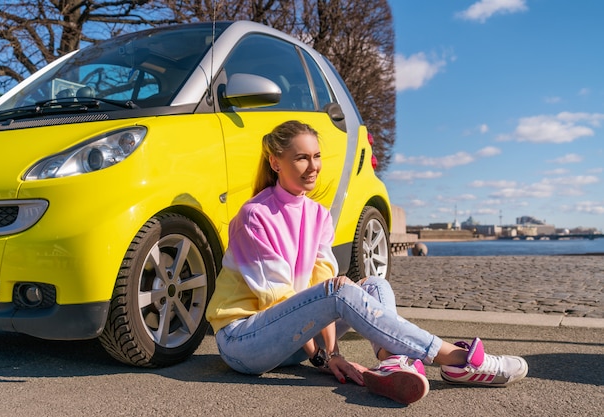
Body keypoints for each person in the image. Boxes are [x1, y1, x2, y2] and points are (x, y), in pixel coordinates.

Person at [205, 120, 528, 405]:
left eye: (316, 156)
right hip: (245, 343)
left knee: (375, 284)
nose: (313, 166)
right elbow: (280, 299)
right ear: (275, 162)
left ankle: (392, 361)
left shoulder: (317, 215)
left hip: (292, 343)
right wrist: (321, 355)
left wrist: (332, 355)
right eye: (301, 157)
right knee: (338, 290)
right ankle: (457, 358)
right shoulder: (255, 216)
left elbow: (319, 291)